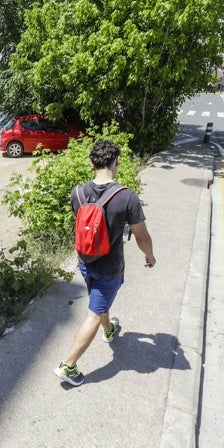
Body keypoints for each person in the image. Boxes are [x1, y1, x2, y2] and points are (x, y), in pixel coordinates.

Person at [54, 139, 156, 386]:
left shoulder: (76, 193)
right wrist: (150, 256)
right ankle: (68, 366)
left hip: (85, 261)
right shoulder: (127, 196)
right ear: (117, 161)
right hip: (110, 268)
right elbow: (141, 236)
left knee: (99, 301)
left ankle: (108, 329)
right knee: (93, 313)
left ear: (92, 164)